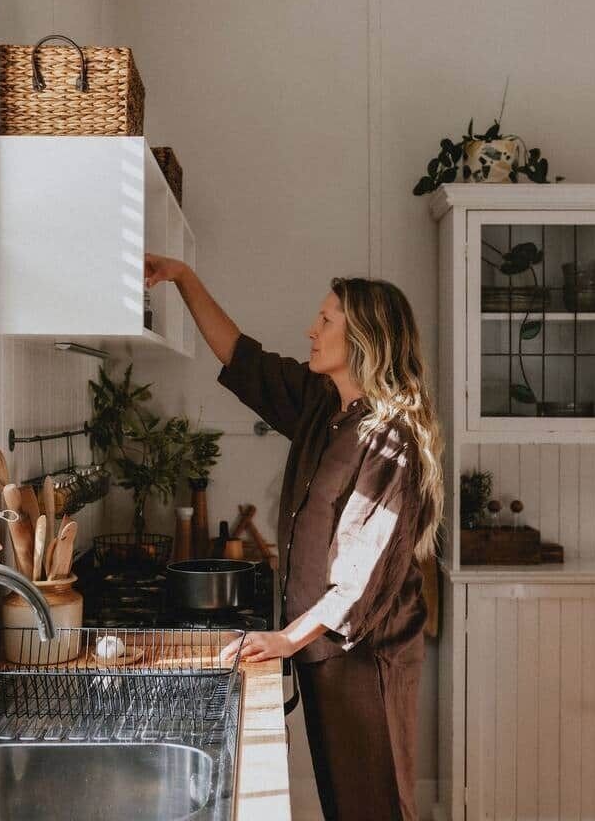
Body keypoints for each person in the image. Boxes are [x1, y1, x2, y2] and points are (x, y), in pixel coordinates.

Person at [144, 253, 444, 821]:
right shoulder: (321, 406)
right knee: (344, 803)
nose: (312, 328)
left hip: (365, 657)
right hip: (321, 647)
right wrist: (183, 276)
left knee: (375, 804)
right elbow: (243, 358)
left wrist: (287, 638)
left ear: (364, 339)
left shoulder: (389, 439)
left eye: (327, 320)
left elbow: (365, 571)